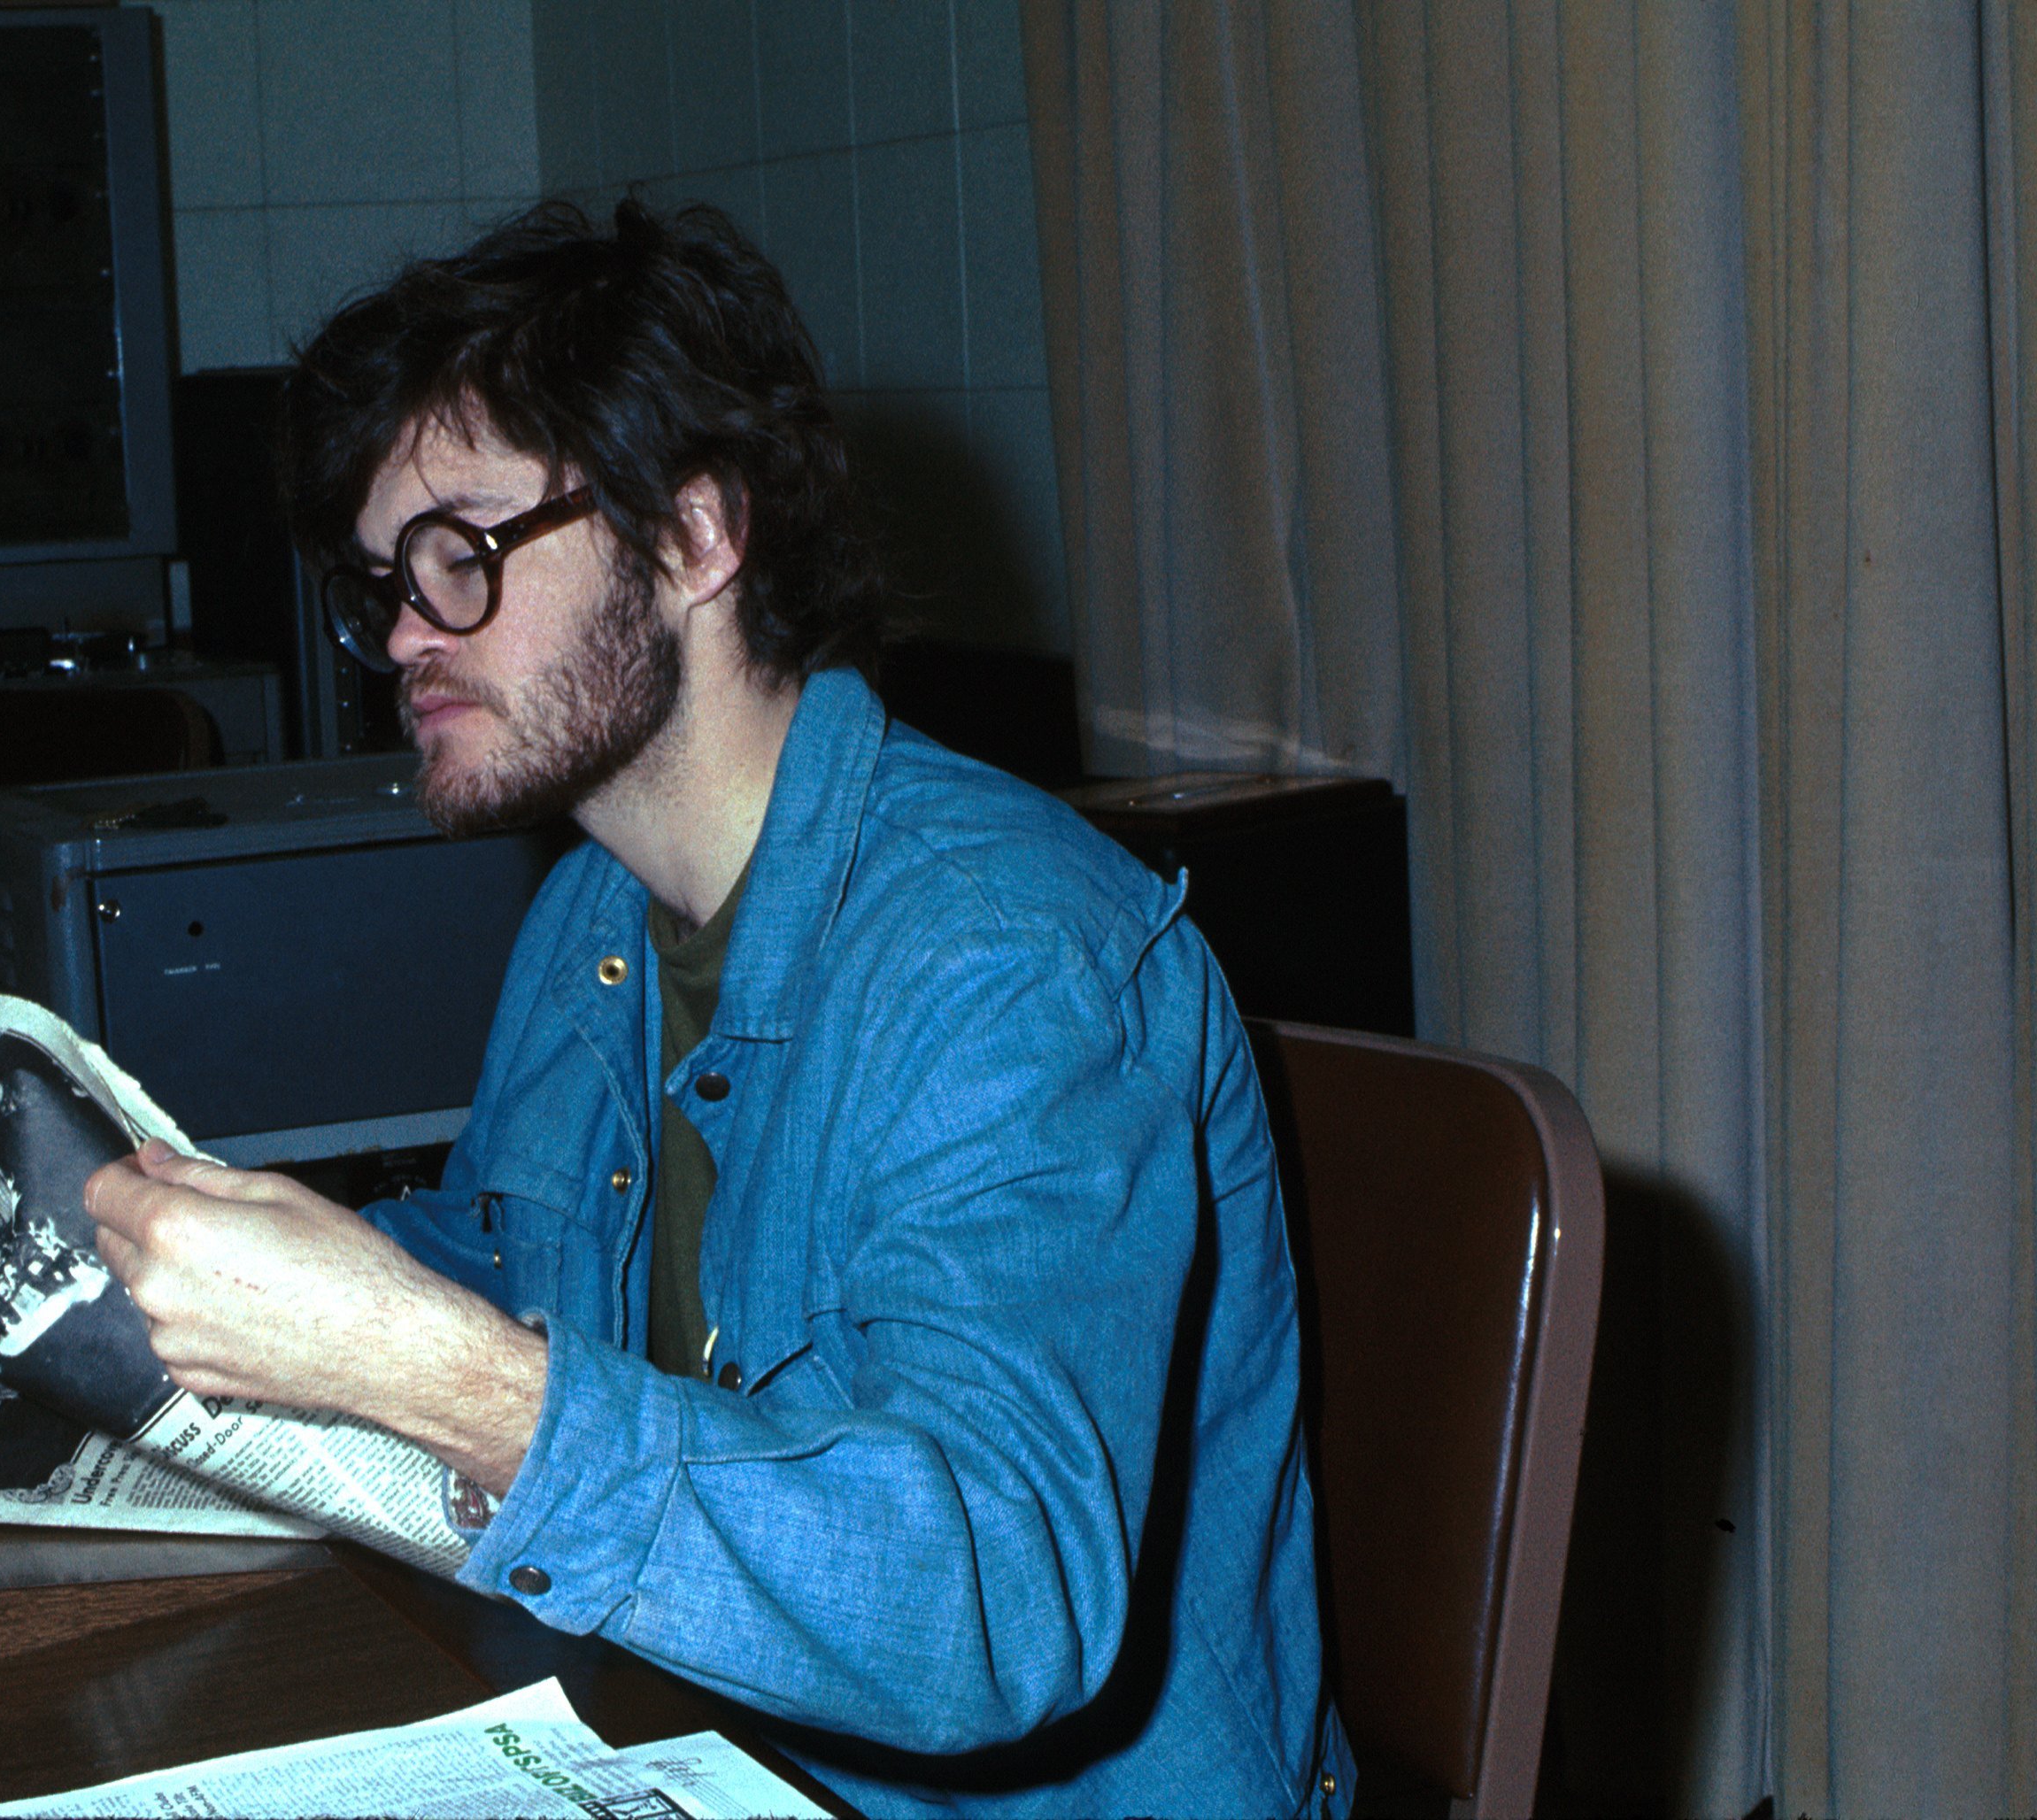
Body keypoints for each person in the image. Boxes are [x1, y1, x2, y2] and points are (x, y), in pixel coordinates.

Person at [84, 199, 1354, 1818]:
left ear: (694, 538)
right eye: (384, 581)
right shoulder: (592, 918)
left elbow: (988, 1601)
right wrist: (181, 1262)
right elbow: (512, 1258)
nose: (404, 633)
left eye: (462, 554)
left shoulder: (1004, 959)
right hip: (678, 1753)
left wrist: (428, 1369)